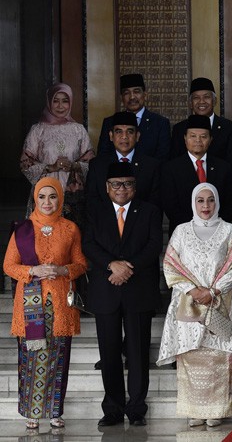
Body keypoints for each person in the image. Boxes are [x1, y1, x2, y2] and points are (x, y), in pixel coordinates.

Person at [157, 183, 232, 427]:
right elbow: (170, 264)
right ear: (193, 203)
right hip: (189, 304)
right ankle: (195, 410)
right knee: (192, 357)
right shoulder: (181, 231)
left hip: (221, 302)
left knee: (219, 357)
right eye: (200, 201)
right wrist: (193, 290)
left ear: (217, 202)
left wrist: (212, 291)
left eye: (210, 200)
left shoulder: (229, 230)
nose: (206, 206)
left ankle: (218, 410)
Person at [82, 162, 163, 427]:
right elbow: (88, 244)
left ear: (134, 187)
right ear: (107, 187)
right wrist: (111, 265)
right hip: (106, 290)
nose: (121, 189)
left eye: (127, 183)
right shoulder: (94, 211)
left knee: (138, 352)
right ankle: (113, 409)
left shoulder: (149, 211)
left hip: (138, 288)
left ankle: (137, 409)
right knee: (109, 352)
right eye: (116, 184)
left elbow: (154, 245)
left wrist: (128, 268)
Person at [3, 177, 87, 430]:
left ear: (60, 199)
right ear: (35, 199)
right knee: (31, 358)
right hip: (31, 306)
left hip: (60, 304)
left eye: (52, 196)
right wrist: (34, 271)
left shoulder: (70, 228)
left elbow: (81, 264)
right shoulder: (23, 229)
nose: (47, 202)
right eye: (42, 197)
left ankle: (54, 411)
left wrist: (62, 270)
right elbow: (8, 265)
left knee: (59, 358)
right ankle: (31, 411)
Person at [20, 83, 95, 225]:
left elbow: (91, 161)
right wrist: (51, 167)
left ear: (70, 103)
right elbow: (26, 163)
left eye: (65, 101)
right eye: (56, 100)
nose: (60, 106)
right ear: (49, 102)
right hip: (45, 191)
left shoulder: (78, 130)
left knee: (72, 233)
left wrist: (74, 165)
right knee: (46, 234)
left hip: (73, 193)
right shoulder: (38, 130)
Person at [161, 114, 232, 236]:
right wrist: (194, 229)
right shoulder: (171, 168)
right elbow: (171, 207)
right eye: (193, 136)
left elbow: (229, 204)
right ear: (185, 138)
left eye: (203, 137)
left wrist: (214, 227)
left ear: (210, 140)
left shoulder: (223, 167)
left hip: (217, 233)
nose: (198, 141)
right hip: (183, 233)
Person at [86, 111, 161, 208]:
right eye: (119, 131)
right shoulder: (97, 165)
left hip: (141, 222)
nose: (124, 136)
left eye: (130, 132)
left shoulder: (151, 166)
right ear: (111, 136)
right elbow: (91, 203)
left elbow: (154, 206)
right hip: (106, 222)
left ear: (137, 136)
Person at [171, 77, 232, 176]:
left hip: (220, 184)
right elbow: (175, 162)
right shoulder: (180, 129)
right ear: (190, 103)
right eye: (196, 98)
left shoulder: (230, 128)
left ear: (215, 101)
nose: (202, 101)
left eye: (206, 97)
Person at [98, 73, 171, 161]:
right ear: (122, 98)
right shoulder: (110, 122)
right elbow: (103, 157)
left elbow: (163, 157)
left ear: (145, 95)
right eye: (126, 93)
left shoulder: (160, 123)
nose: (132, 97)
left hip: (150, 173)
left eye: (136, 92)